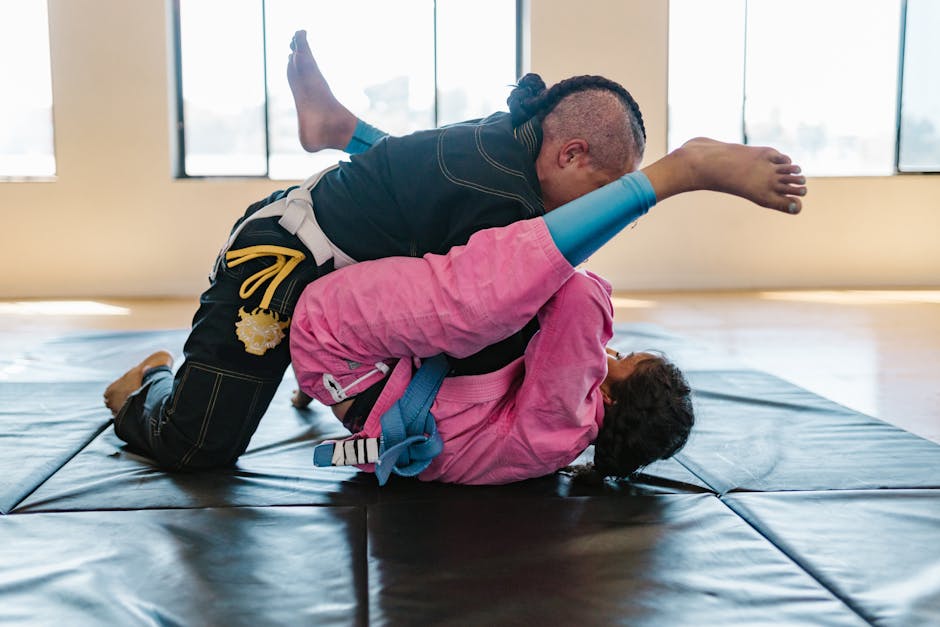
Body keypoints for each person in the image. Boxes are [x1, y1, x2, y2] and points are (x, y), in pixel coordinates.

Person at [102, 30, 661, 470]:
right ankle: (147, 383)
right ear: (572, 155)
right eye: (601, 195)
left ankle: (336, 127)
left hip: (348, 276)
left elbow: (418, 174)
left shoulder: (508, 152)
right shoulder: (504, 195)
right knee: (198, 447)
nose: (595, 217)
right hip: (283, 261)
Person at [290, 135, 807, 484]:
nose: (606, 350)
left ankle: (679, 172)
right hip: (366, 379)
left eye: (617, 357)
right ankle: (350, 132)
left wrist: (551, 275)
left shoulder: (564, 420)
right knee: (495, 266)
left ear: (606, 391)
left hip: (333, 337)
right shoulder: (553, 438)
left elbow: (579, 299)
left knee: (490, 296)